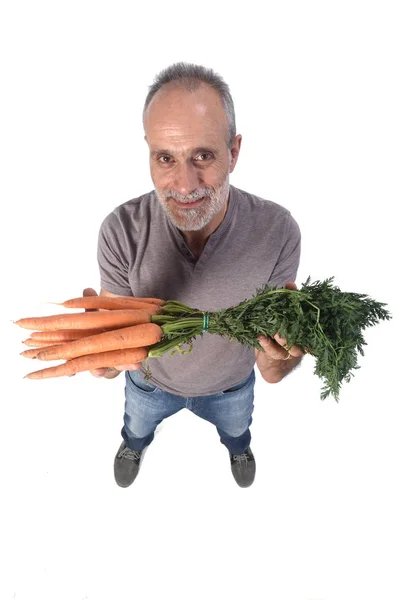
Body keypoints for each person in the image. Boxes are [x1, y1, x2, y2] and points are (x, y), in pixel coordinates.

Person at [87, 62, 304, 489]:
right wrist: (102, 358)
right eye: (165, 158)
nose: (184, 185)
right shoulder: (120, 230)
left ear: (234, 152)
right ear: (148, 151)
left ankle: (238, 445)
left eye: (202, 156)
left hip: (231, 388)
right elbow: (116, 347)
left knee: (238, 426)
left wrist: (283, 361)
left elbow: (271, 368)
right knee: (136, 423)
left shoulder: (277, 231)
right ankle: (134, 441)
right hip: (150, 385)